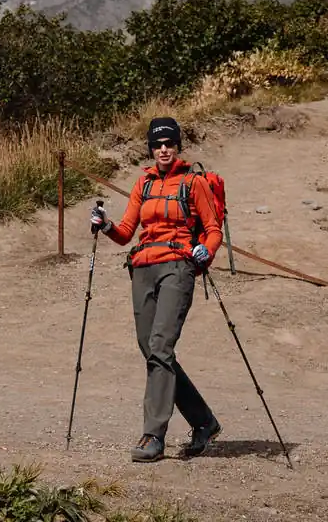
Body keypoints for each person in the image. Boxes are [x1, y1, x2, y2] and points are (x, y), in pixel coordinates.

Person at [90, 116, 223, 463]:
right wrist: (104, 226)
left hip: (178, 267)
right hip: (143, 269)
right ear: (151, 148)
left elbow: (212, 229)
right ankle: (204, 421)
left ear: (178, 146)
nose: (163, 150)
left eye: (169, 143)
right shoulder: (142, 184)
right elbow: (125, 233)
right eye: (157, 144)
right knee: (150, 349)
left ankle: (153, 435)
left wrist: (205, 251)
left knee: (161, 346)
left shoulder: (193, 183)